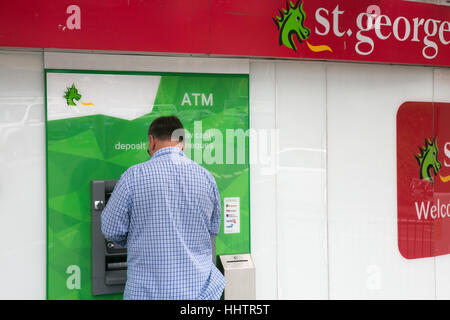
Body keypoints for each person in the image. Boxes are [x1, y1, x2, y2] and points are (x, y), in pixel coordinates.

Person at [101, 115, 225, 300]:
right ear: (182, 142)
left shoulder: (133, 176)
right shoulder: (206, 177)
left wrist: (140, 237)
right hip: (199, 292)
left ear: (151, 140)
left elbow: (110, 229)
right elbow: (212, 230)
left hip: (148, 292)